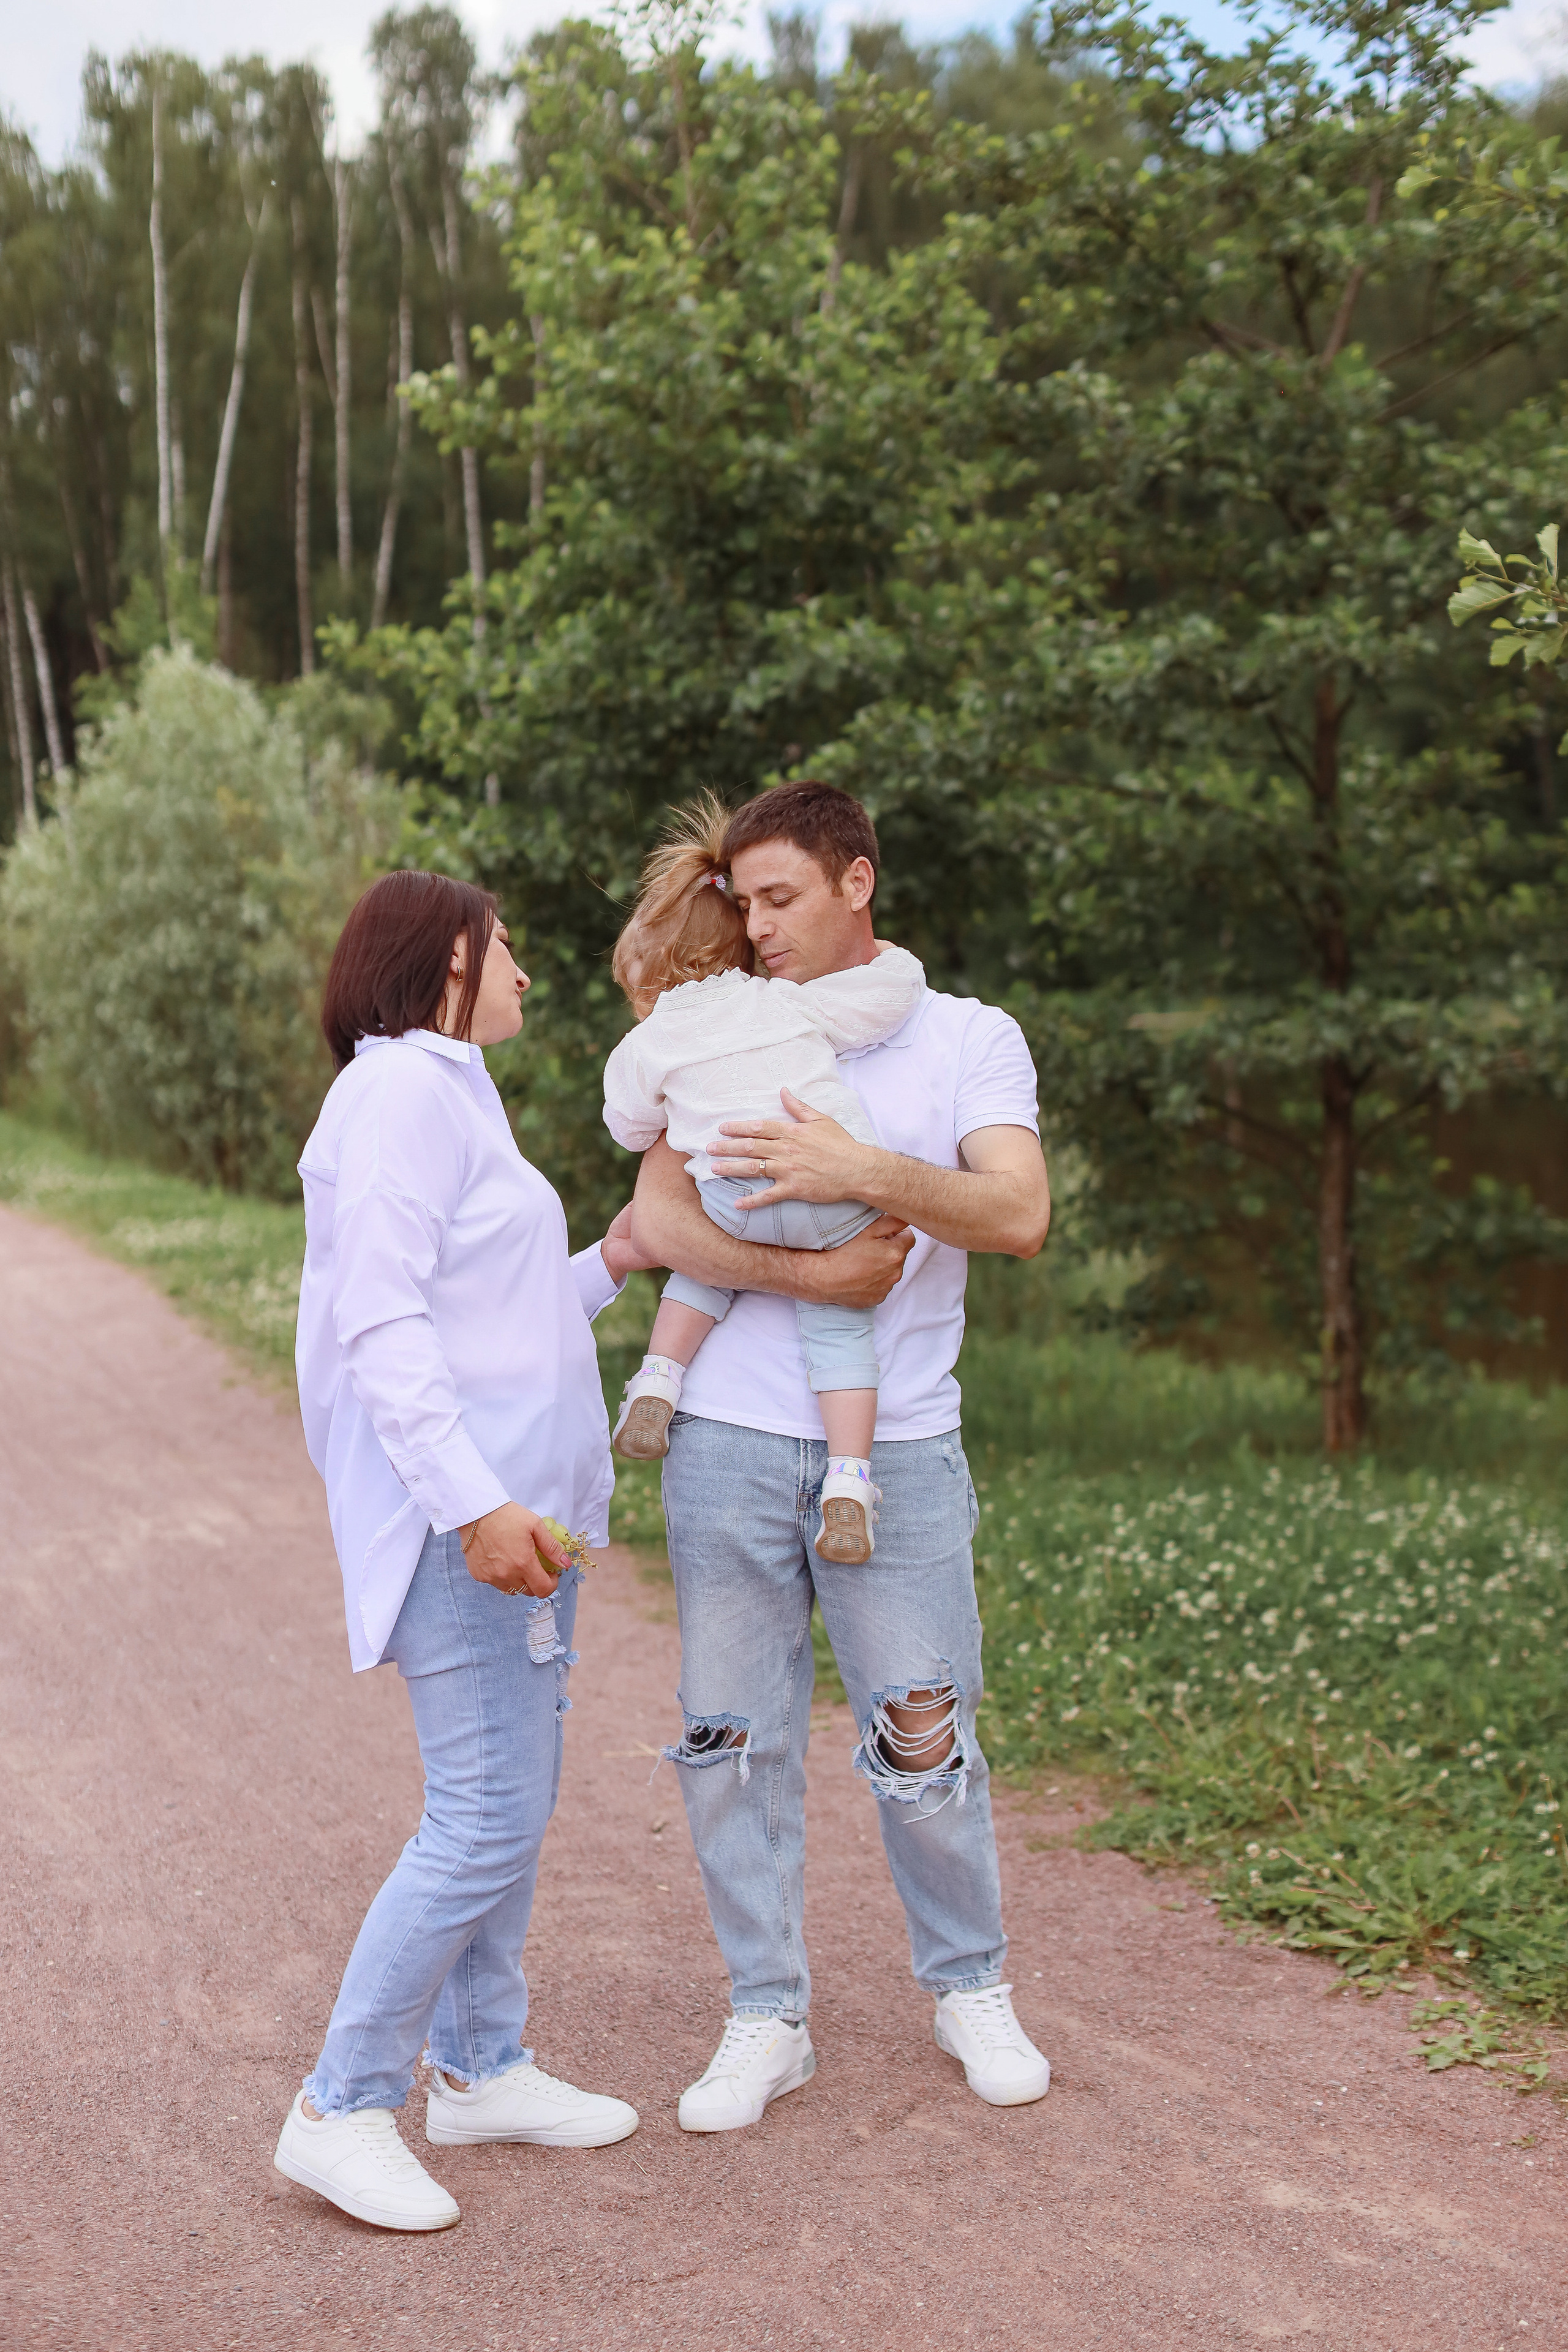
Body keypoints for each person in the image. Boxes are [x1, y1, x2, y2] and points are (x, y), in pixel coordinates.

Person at [628, 781, 1054, 2132]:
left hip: (900, 1448)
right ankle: (766, 2014)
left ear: (855, 881)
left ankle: (969, 1985)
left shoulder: (965, 1037)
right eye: (743, 904)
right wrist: (814, 1280)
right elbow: (658, 1219)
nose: (756, 929)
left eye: (781, 900)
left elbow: (1016, 1212)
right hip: (727, 1443)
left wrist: (854, 1168)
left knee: (922, 1728)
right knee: (728, 1739)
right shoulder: (723, 1020)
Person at [274, 869, 643, 2234]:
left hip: (518, 1519)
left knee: (510, 1808)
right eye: (507, 948)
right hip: (468, 1527)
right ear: (445, 962)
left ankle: (481, 2068)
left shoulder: (452, 1090)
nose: (526, 972)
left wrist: (613, 1257)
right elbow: (380, 1325)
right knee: (483, 1817)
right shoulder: (396, 1096)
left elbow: (494, 1315)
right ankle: (341, 2104)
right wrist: (473, 1509)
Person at [601, 791, 925, 1565]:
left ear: (649, 982)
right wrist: (900, 960)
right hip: (835, 1200)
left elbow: (627, 1127)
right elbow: (886, 998)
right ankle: (850, 1478)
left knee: (703, 1267)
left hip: (736, 1198)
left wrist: (666, 1094)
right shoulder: (782, 1002)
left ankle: (658, 1379)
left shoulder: (652, 1042)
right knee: (841, 1329)